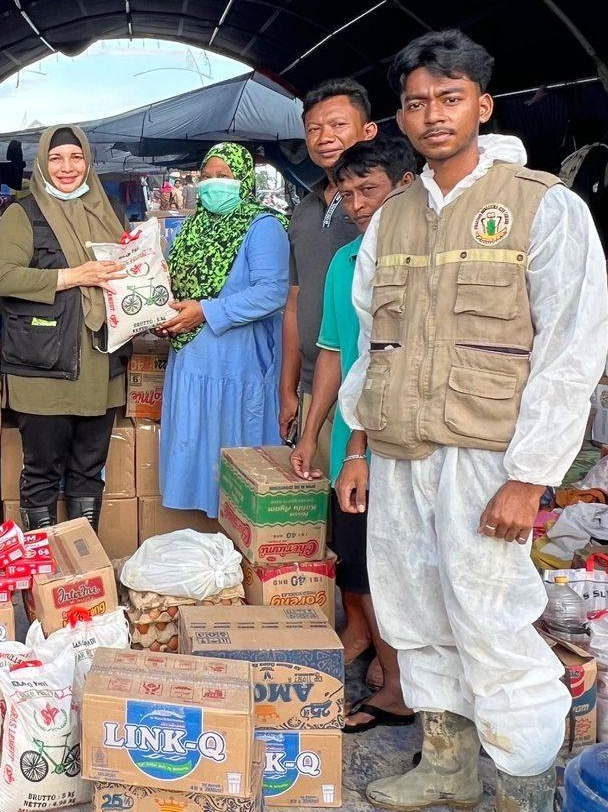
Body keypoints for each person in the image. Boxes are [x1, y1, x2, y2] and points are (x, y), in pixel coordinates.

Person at [337, 30, 608, 811]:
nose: (432, 116)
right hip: (398, 454)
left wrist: (530, 478)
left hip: (488, 458)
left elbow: (569, 350)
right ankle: (447, 767)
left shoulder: (542, 208)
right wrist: (356, 448)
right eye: (417, 103)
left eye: (449, 99)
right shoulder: (390, 220)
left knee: (491, 621)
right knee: (415, 612)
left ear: (480, 106)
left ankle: (519, 786)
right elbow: (369, 345)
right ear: (400, 115)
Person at [289, 133, 416, 735]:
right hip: (351, 443)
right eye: (349, 192)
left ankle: (400, 688)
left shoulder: (419, 257)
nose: (359, 203)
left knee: (396, 568)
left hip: (403, 440)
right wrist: (310, 435)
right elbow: (333, 353)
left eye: (371, 189)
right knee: (357, 563)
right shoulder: (345, 262)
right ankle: (377, 657)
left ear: (407, 185)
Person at [279, 77, 377, 662]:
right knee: (340, 522)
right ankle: (357, 625)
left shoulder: (381, 205)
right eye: (314, 128)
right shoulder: (308, 206)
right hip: (322, 377)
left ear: (369, 131)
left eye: (337, 125)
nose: (323, 137)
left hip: (366, 383)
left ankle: (380, 645)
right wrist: (289, 386)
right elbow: (295, 301)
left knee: (364, 519)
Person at [0, 124, 129, 531]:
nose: (66, 167)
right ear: (42, 163)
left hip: (101, 364)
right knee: (43, 473)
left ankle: (82, 562)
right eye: (55, 158)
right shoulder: (23, 214)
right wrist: (73, 276)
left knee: (89, 471)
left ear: (88, 162)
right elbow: (4, 278)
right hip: (45, 367)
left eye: (75, 157)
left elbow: (128, 273)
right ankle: (45, 576)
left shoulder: (107, 212)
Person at [156, 143, 289, 516]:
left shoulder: (264, 227)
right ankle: (207, 543)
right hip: (190, 361)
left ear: (243, 179)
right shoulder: (188, 230)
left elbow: (272, 293)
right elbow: (171, 286)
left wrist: (207, 311)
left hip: (236, 364)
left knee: (234, 449)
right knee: (196, 444)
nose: (214, 184)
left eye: (224, 176)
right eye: (208, 177)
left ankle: (238, 536)